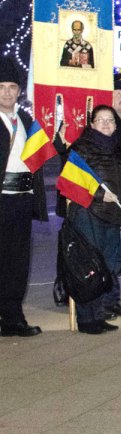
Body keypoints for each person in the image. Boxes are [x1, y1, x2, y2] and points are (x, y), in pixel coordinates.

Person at [62, 106, 121, 334]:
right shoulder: (81, 147)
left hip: (112, 216)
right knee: (89, 268)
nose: (105, 124)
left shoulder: (119, 150)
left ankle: (99, 315)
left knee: (108, 268)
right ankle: (86, 319)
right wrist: (100, 194)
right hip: (87, 214)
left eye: (110, 120)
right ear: (91, 124)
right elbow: (71, 180)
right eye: (100, 120)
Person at [0, 60, 49, 337]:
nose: (7, 93)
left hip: (21, 199)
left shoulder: (27, 121)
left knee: (17, 262)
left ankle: (12, 317)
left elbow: (40, 156)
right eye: (2, 87)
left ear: (19, 90)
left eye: (12, 87)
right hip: (1, 198)